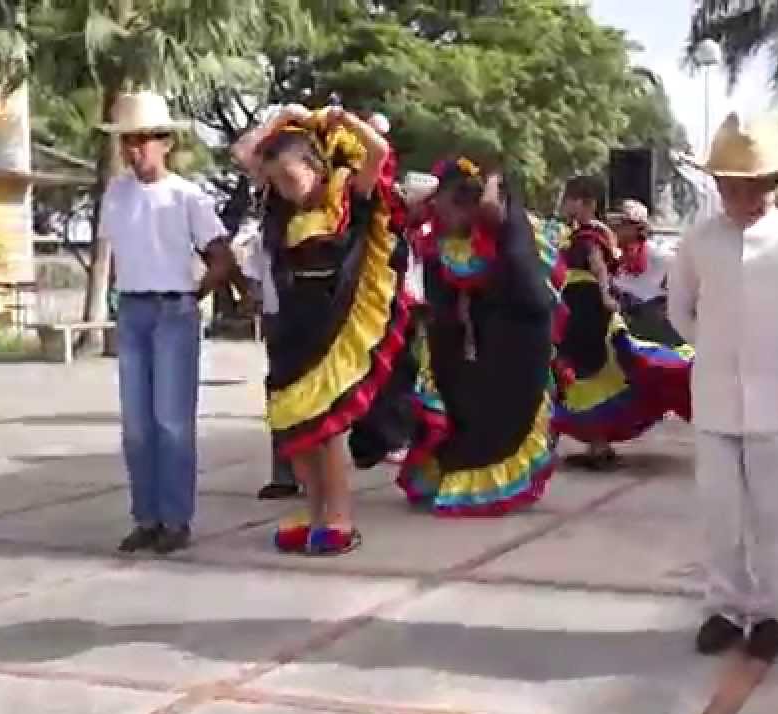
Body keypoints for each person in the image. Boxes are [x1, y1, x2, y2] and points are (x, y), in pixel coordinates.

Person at [669, 113, 778, 662]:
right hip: (716, 396)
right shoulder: (698, 239)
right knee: (720, 511)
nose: (743, 197)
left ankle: (772, 611)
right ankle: (723, 607)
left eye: (756, 185)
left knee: (775, 513)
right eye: (731, 186)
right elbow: (679, 308)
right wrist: (717, 346)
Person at [231, 103, 417, 555]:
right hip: (292, 325)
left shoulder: (349, 193)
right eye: (275, 181)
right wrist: (284, 119)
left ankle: (339, 517)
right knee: (298, 428)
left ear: (315, 166)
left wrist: (340, 120)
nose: (283, 190)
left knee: (326, 429)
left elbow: (378, 151)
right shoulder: (282, 208)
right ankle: (314, 512)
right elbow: (243, 153)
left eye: (290, 178)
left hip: (333, 325)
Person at [98, 91, 236, 555]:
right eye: (127, 141)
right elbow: (116, 253)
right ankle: (147, 516)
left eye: (143, 140)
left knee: (171, 421)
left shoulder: (186, 196)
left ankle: (175, 518)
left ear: (165, 143)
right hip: (134, 309)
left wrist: (192, 294)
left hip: (172, 310)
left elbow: (222, 257)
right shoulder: (116, 195)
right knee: (137, 424)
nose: (135, 150)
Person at [394, 156, 565, 515]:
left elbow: (530, 294)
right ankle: (449, 468)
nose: (440, 215)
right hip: (467, 338)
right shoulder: (439, 237)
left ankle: (483, 481)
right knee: (457, 397)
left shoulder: (508, 228)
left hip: (519, 335)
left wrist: (491, 179)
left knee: (502, 409)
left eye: (448, 207)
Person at [552, 177, 693, 470]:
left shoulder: (593, 236)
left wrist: (605, 296)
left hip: (591, 311)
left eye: (570, 199)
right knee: (588, 373)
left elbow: (600, 268)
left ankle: (597, 443)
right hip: (581, 309)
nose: (565, 205)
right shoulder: (591, 235)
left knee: (593, 372)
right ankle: (596, 443)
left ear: (586, 202)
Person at [236, 216, 299, 499]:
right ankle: (284, 473)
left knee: (317, 396)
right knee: (280, 394)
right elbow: (255, 274)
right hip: (278, 316)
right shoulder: (266, 225)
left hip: (316, 311)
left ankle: (318, 473)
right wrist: (252, 296)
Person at [609, 199, 684, 346]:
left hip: (659, 335)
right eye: (613, 224)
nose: (614, 229)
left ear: (637, 227)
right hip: (629, 334)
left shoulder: (660, 257)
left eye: (621, 224)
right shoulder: (615, 260)